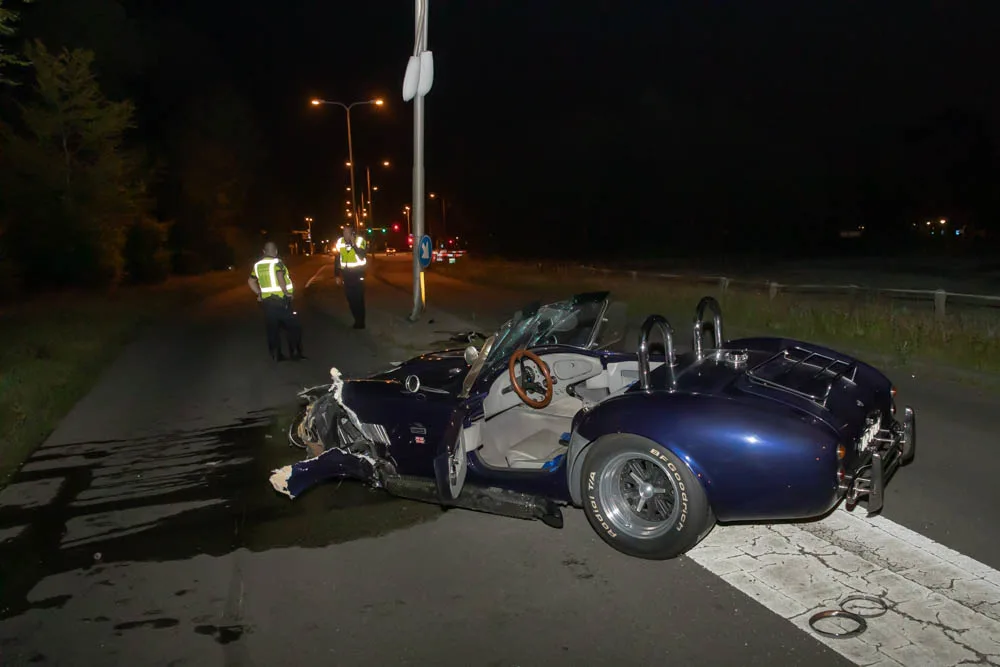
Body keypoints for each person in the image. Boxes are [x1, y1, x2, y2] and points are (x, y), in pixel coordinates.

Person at [248, 241, 304, 361]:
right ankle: (294, 353)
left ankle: (276, 355)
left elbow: (251, 281)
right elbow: (280, 276)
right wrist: (287, 292)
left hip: (267, 303)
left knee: (272, 328)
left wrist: (259, 293)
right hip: (281, 301)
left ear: (264, 252)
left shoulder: (257, 265)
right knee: (293, 326)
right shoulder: (277, 262)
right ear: (276, 251)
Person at [334, 225, 368, 329]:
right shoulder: (340, 242)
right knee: (350, 299)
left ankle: (360, 321)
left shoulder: (360, 241)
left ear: (353, 233)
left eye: (347, 232)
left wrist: (353, 244)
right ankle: (356, 318)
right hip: (346, 276)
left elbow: (362, 255)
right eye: (344, 232)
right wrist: (336, 275)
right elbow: (337, 259)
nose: (345, 235)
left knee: (358, 299)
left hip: (358, 274)